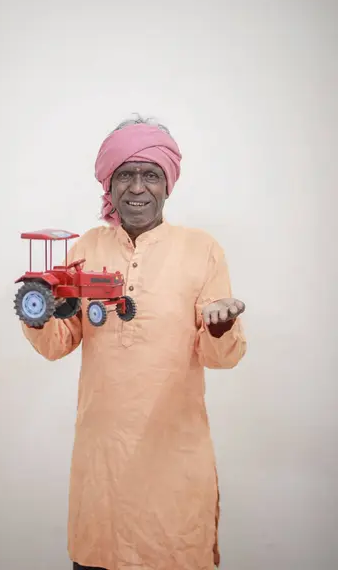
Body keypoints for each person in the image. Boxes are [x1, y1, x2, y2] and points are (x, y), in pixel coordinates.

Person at [21, 116, 247, 570]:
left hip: (174, 456)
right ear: (109, 183)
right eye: (125, 174)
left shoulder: (202, 249)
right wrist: (40, 311)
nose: (137, 187)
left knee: (176, 552)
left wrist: (220, 328)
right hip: (102, 459)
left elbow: (220, 358)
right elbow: (57, 343)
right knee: (99, 552)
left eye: (150, 174)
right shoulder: (87, 246)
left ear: (168, 184)